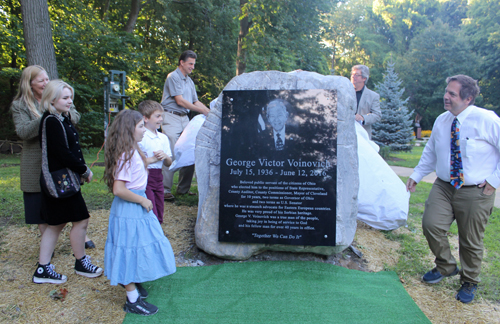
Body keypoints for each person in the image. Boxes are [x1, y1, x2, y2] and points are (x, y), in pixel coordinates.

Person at [406, 75, 500, 304]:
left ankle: (469, 281)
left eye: (452, 94)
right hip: (444, 186)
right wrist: (417, 174)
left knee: (470, 240)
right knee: (430, 224)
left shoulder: (486, 120)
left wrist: (494, 180)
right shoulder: (442, 120)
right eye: (446, 92)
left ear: (468, 98)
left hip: (476, 191)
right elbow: (431, 150)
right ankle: (446, 266)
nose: (446, 97)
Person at [10, 65, 95, 249]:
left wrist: (60, 109)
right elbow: (23, 131)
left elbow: (75, 117)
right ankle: (48, 246)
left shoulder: (59, 97)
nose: (45, 83)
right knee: (40, 203)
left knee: (69, 196)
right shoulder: (21, 105)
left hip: (59, 161)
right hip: (36, 160)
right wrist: (48, 117)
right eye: (41, 80)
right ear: (29, 83)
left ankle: (80, 235)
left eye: (47, 79)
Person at [103, 109, 176, 316]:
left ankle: (132, 281)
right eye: (141, 126)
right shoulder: (126, 154)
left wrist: (157, 158)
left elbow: (142, 166)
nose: (145, 129)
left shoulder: (133, 150)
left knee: (136, 246)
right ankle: (132, 299)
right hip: (130, 207)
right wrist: (143, 199)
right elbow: (119, 189)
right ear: (130, 129)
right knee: (128, 248)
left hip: (134, 206)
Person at [32, 80, 103, 284]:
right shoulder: (51, 121)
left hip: (63, 181)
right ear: (52, 99)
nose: (69, 101)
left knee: (58, 223)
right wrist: (84, 170)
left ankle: (45, 267)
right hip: (59, 182)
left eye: (70, 97)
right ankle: (77, 263)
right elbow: (62, 152)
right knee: (78, 220)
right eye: (65, 97)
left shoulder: (61, 118)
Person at [160, 50, 210, 200]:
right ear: (182, 62)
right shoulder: (173, 77)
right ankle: (165, 190)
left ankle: (183, 189)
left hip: (185, 118)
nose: (193, 67)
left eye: (194, 64)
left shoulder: (189, 81)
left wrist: (210, 112)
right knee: (172, 151)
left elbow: (195, 101)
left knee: (190, 150)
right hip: (171, 116)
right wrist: (201, 111)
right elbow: (180, 101)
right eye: (190, 64)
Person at [138, 100, 173, 223]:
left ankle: (158, 228)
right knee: (150, 208)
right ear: (145, 118)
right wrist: (153, 159)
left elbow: (169, 163)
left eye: (162, 116)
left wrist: (165, 157)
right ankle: (152, 230)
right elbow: (135, 163)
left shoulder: (163, 138)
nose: (161, 119)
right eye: (157, 116)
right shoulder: (141, 137)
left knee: (160, 206)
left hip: (159, 177)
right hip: (145, 177)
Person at [350, 64, 381, 138]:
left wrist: (363, 118)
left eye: (357, 75)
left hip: (363, 136)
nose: (353, 76)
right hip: (344, 136)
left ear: (364, 78)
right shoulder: (343, 93)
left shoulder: (373, 96)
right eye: (352, 74)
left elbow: (377, 115)